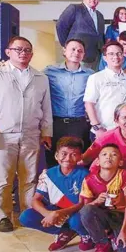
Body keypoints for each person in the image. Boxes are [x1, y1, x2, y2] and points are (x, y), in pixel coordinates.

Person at [0, 37, 53, 232]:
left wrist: (46, 132)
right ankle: (2, 217)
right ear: (8, 51)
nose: (23, 53)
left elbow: (46, 107)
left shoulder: (40, 78)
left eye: (27, 50)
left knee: (29, 178)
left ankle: (27, 215)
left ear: (32, 54)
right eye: (18, 49)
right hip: (2, 134)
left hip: (31, 134)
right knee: (3, 178)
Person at [19, 137, 92, 251]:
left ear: (79, 157)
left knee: (76, 221)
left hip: (76, 212)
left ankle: (85, 234)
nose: (67, 158)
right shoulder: (48, 174)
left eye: (73, 154)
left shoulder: (85, 175)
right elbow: (35, 200)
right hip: (57, 209)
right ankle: (65, 232)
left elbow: (82, 203)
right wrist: (48, 214)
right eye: (64, 154)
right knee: (26, 217)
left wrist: (58, 213)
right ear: (56, 155)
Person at [43, 39, 94, 168]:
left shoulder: (91, 75)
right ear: (64, 51)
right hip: (56, 123)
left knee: (78, 160)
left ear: (83, 54)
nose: (76, 52)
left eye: (80, 50)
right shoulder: (49, 71)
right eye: (73, 49)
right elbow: (30, 76)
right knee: (54, 160)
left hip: (80, 123)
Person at [79, 143, 126, 252]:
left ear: (120, 162)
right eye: (104, 154)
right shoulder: (89, 179)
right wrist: (97, 201)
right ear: (97, 161)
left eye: (114, 155)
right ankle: (102, 244)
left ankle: (114, 236)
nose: (108, 157)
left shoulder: (123, 175)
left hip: (120, 216)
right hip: (102, 216)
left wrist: (124, 230)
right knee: (87, 210)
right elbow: (86, 208)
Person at [82, 103, 126, 173]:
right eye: (125, 117)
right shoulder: (105, 138)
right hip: (106, 178)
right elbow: (85, 160)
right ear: (116, 120)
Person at [84, 41, 126, 139]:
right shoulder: (96, 77)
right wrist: (97, 127)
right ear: (105, 58)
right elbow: (89, 103)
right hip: (103, 130)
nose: (115, 57)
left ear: (123, 56)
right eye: (111, 54)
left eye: (119, 53)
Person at [56, 0, 105, 70]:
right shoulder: (75, 9)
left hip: (96, 55)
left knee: (92, 80)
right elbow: (61, 26)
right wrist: (67, 45)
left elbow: (100, 35)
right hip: (78, 54)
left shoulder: (100, 15)